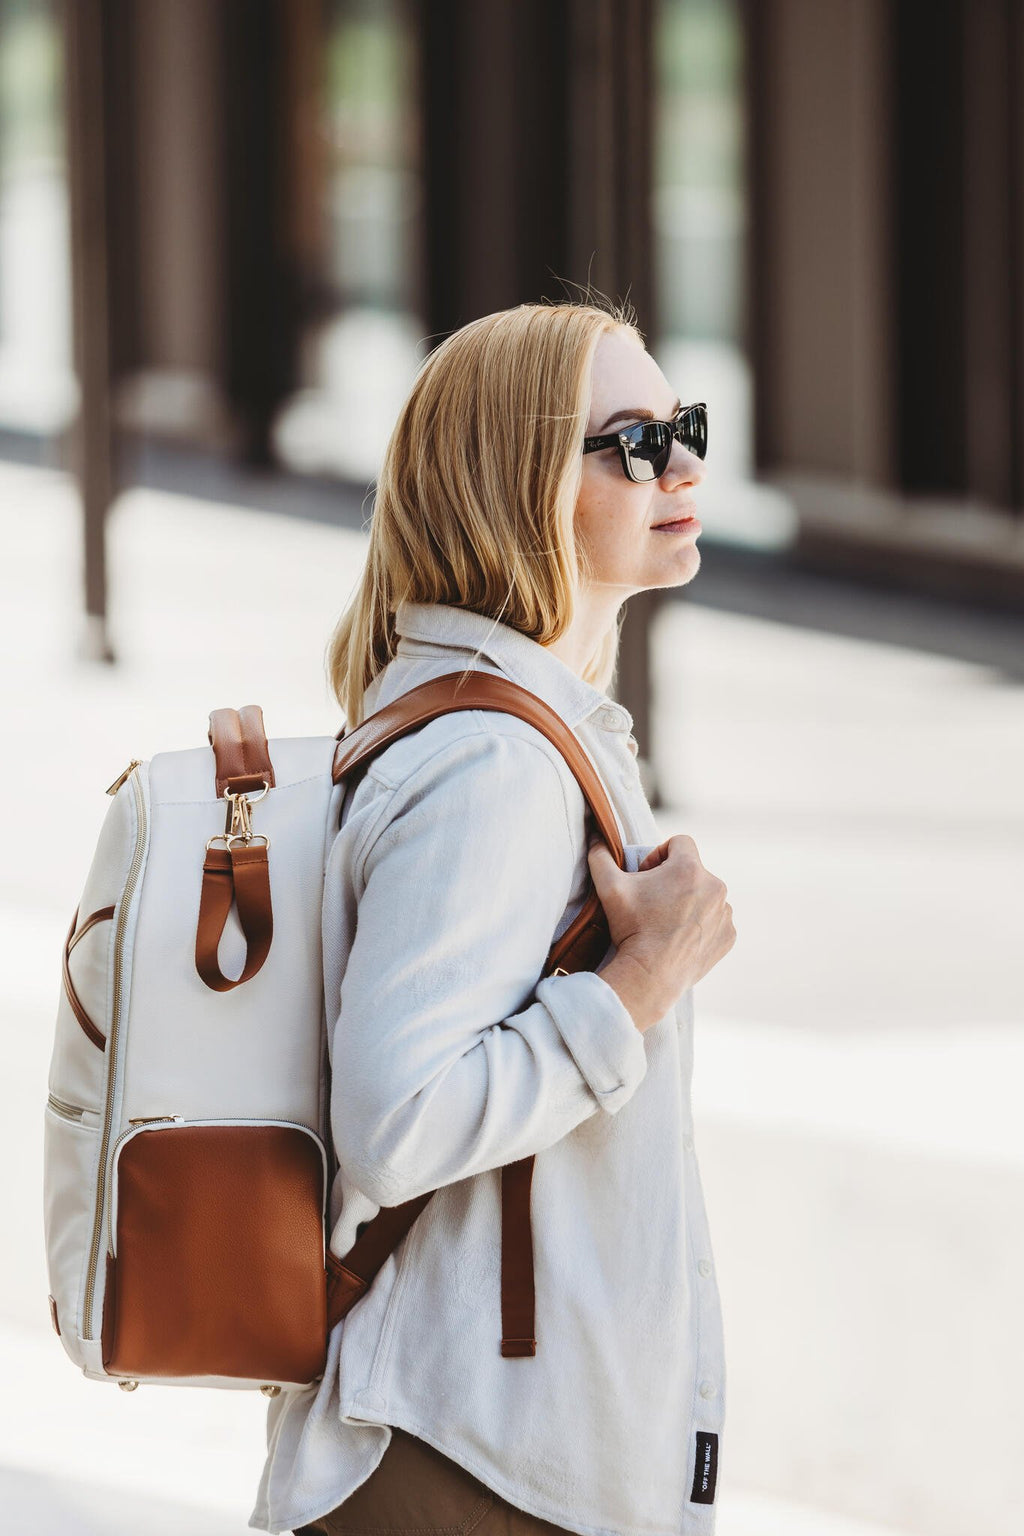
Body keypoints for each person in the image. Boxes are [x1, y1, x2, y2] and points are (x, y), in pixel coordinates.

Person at [249, 299, 736, 1536]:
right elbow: (398, 1122)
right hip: (469, 1458)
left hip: (479, 1440)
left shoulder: (504, 725)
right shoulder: (494, 761)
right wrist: (640, 982)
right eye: (634, 444)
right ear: (515, 483)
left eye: (682, 426)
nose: (682, 468)